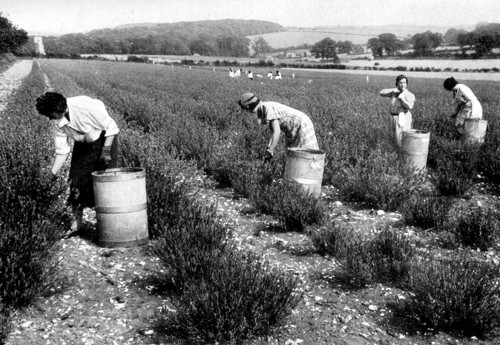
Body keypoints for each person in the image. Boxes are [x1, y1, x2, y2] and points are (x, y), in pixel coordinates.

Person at [35, 91, 121, 233]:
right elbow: (62, 150)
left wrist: (105, 151)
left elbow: (111, 127)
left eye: (50, 114)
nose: (50, 118)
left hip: (105, 137)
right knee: (76, 180)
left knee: (107, 180)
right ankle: (77, 224)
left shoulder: (85, 107)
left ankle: (109, 224)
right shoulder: (57, 121)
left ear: (59, 109)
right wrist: (52, 173)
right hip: (84, 142)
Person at [238, 93, 319, 161]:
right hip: (293, 128)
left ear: (250, 107)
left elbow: (277, 132)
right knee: (293, 154)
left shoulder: (267, 109)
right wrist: (269, 148)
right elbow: (273, 131)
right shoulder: (262, 109)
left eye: (247, 109)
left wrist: (270, 150)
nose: (248, 112)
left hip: (301, 124)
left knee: (306, 154)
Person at [379, 75, 415, 148]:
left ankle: (402, 155)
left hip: (403, 117)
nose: (402, 85)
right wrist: (393, 90)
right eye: (400, 83)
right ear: (397, 84)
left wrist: (402, 99)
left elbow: (410, 106)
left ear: (407, 84)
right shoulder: (394, 92)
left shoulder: (408, 94)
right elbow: (381, 93)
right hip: (393, 116)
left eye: (404, 83)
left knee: (401, 138)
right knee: (392, 137)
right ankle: (395, 154)